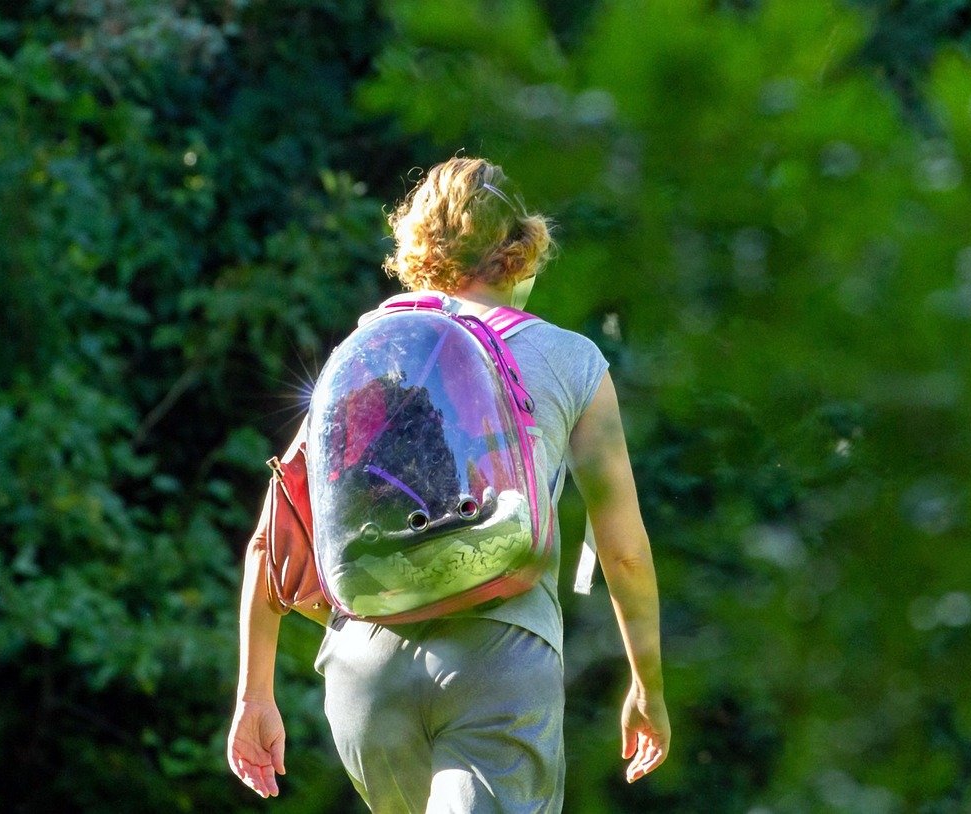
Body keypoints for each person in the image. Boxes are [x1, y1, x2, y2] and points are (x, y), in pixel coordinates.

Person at [227, 156, 669, 812]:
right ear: (521, 249)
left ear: (418, 246)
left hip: (367, 669)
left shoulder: (373, 347)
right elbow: (623, 550)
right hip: (500, 659)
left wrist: (253, 696)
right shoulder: (573, 360)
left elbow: (277, 527)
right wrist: (648, 686)